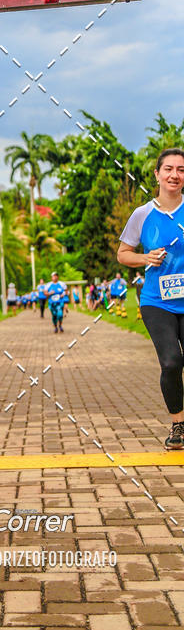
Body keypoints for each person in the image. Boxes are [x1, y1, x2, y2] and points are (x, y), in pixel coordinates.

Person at [118, 147, 184, 450]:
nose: (175, 175)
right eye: (168, 169)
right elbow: (123, 254)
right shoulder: (142, 214)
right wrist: (146, 257)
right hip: (157, 301)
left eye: (181, 170)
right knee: (171, 362)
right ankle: (178, 425)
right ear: (157, 174)